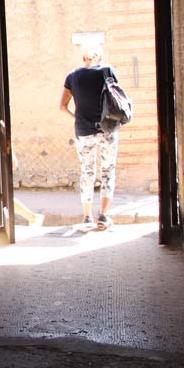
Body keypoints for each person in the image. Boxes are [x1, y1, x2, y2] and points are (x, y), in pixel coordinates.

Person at [59, 42, 119, 230]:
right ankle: (103, 216)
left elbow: (62, 106)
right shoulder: (107, 71)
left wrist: (78, 118)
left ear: (84, 58)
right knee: (108, 171)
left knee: (87, 171)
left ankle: (87, 216)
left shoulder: (72, 77)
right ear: (99, 57)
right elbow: (117, 98)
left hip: (83, 131)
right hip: (107, 129)